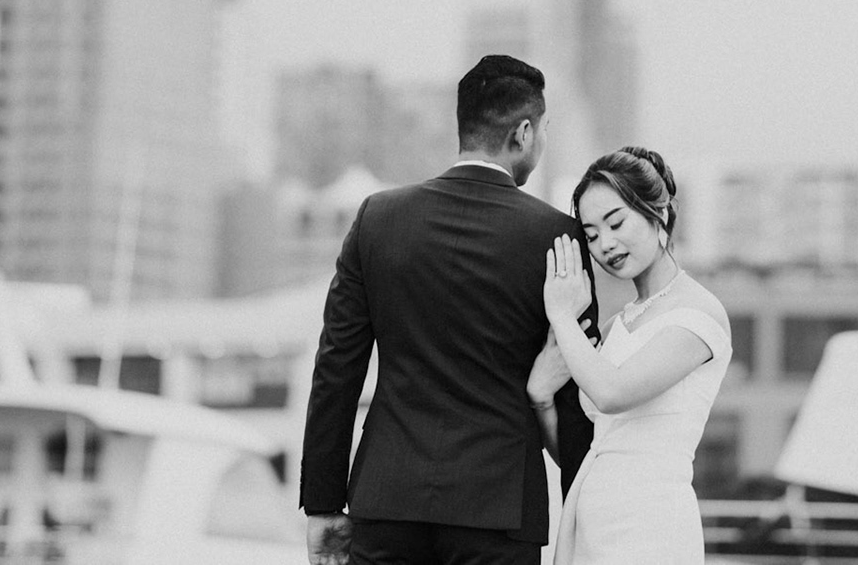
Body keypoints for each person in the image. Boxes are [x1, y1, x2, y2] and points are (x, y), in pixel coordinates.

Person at [300, 54, 598, 565]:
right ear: (524, 133)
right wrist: (582, 512)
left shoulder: (377, 219)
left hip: (386, 502)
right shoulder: (558, 237)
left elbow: (336, 369)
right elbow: (576, 386)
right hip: (500, 510)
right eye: (544, 130)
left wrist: (322, 503)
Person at [531, 147, 732, 565]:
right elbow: (579, 449)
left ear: (659, 212)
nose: (605, 244)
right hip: (592, 520)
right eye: (591, 235)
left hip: (649, 524)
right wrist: (541, 398)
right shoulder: (614, 327)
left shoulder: (698, 313)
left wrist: (562, 315)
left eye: (616, 222)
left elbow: (611, 393)